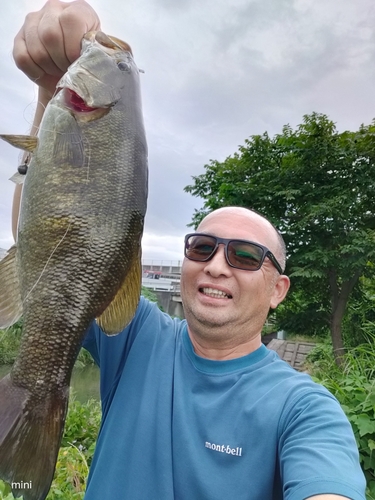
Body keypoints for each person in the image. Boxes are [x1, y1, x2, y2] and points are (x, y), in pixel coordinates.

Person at [11, 2, 366, 499]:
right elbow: (47, 248)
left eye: (244, 256)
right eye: (202, 247)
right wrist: (50, 89)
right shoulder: (136, 336)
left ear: (279, 289)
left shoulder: (304, 408)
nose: (217, 265)